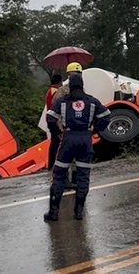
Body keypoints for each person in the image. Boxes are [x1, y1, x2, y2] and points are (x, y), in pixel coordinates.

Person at [44, 73, 111, 221]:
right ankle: (79, 213)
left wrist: (57, 133)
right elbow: (107, 116)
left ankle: (53, 213)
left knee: (59, 175)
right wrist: (95, 130)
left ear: (70, 86)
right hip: (85, 140)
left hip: (68, 139)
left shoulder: (62, 102)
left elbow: (50, 118)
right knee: (83, 175)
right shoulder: (92, 102)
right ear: (82, 85)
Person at [50, 62, 84, 187]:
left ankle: (75, 179)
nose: (77, 76)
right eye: (75, 74)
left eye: (79, 73)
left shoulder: (81, 90)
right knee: (65, 155)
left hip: (77, 126)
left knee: (77, 154)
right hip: (64, 126)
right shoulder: (62, 91)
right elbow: (55, 109)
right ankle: (62, 180)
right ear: (69, 75)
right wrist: (58, 127)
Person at [45, 74, 62, 170]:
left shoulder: (50, 91)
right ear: (59, 82)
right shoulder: (55, 92)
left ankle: (51, 165)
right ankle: (52, 165)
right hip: (54, 120)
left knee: (55, 142)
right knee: (57, 142)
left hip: (50, 119)